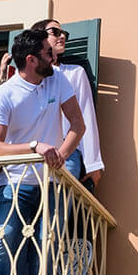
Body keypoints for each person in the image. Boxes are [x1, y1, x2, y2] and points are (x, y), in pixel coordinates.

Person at [0, 29, 86, 275]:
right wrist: (34, 147)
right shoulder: (5, 94)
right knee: (5, 246)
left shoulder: (57, 79)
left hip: (51, 184)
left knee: (45, 249)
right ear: (31, 60)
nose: (53, 56)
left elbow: (78, 125)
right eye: (46, 53)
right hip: (15, 183)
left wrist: (62, 157)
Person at [31, 19, 103, 187]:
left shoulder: (74, 73)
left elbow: (86, 115)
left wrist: (92, 163)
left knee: (56, 210)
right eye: (55, 32)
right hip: (32, 152)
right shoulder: (28, 77)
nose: (62, 36)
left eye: (64, 34)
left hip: (66, 151)